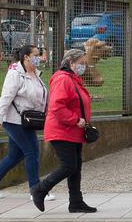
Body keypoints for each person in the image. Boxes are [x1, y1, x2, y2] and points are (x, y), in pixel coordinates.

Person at [0, 44, 55, 202]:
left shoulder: (34, 73)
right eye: (36, 54)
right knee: (32, 151)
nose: (39, 57)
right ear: (26, 57)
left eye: (39, 54)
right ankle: (36, 190)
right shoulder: (15, 74)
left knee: (16, 155)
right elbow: (6, 96)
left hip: (27, 120)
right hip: (15, 120)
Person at [30, 48, 96, 213]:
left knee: (76, 167)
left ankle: (76, 202)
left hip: (73, 131)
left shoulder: (73, 78)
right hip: (63, 130)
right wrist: (76, 119)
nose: (83, 66)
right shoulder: (62, 79)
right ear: (71, 62)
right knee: (69, 166)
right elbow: (57, 106)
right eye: (81, 63)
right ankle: (40, 190)